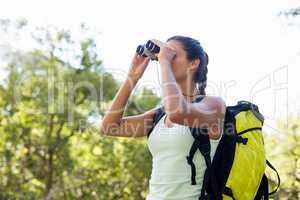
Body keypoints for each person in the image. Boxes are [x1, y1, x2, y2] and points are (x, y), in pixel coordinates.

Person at [100, 35, 226, 200]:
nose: (163, 59)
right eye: (163, 55)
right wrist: (132, 78)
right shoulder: (158, 115)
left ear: (193, 63)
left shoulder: (213, 105)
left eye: (172, 54)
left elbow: (176, 112)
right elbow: (109, 127)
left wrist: (165, 62)